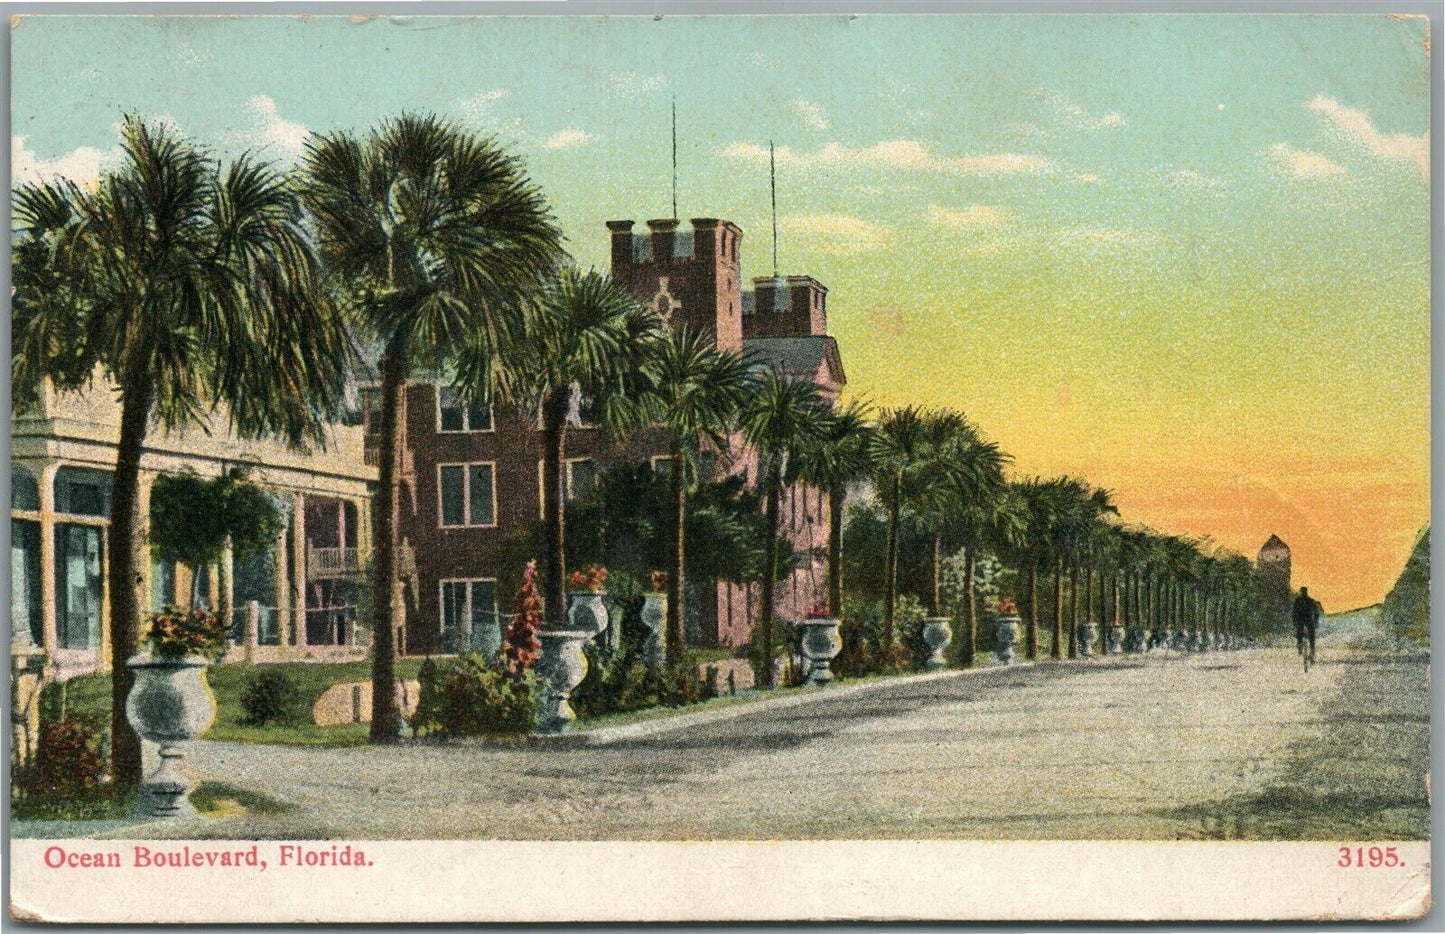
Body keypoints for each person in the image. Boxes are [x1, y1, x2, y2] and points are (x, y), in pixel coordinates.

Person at [1292, 586, 1322, 662]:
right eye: (1302, 592)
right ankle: (1300, 646)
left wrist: (1316, 621)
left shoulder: (1309, 601)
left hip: (1307, 619)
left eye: (1304, 592)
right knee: (1300, 632)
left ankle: (1311, 651)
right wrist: (1294, 621)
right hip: (1301, 619)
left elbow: (1316, 612)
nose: (1303, 593)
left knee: (1310, 635)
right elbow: (1294, 612)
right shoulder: (1297, 600)